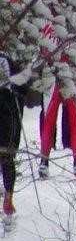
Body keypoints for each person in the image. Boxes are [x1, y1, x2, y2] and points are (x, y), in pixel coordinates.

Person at [1, 51, 28, 216]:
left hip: (7, 107)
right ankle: (8, 197)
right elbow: (23, 87)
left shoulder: (6, 59)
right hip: (7, 109)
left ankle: (8, 197)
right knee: (7, 154)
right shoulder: (7, 59)